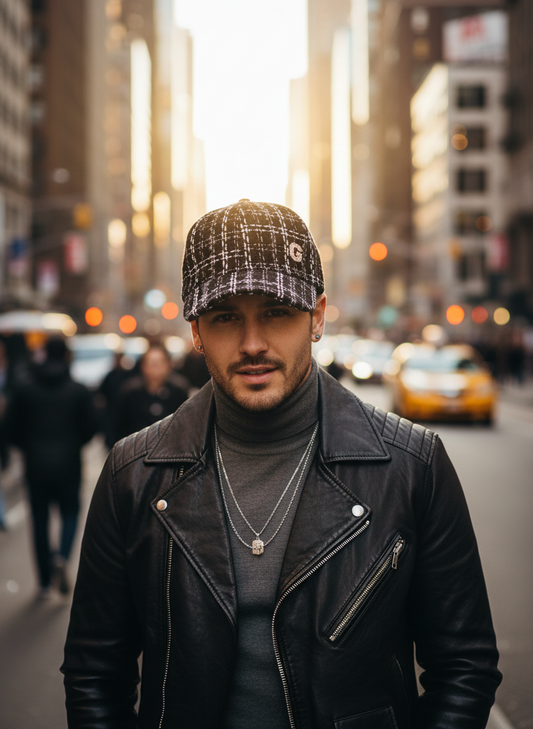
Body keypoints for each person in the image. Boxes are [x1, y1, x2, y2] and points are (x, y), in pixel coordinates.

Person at [63, 200, 501, 728]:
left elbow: (463, 666)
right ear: (196, 331)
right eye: (226, 317)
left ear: (316, 316)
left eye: (276, 312)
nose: (253, 344)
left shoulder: (413, 466)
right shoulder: (133, 474)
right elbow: (95, 673)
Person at [7, 336, 97, 598]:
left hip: (35, 465)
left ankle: (45, 582)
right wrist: (74, 443)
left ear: (44, 354)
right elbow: (91, 427)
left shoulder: (25, 388)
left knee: (39, 520)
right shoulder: (78, 390)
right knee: (70, 514)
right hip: (68, 464)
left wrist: (28, 447)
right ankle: (63, 556)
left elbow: (10, 428)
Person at [109, 343, 189, 445]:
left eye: (160, 363)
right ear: (143, 366)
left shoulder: (179, 390)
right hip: (135, 450)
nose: (155, 367)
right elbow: (117, 425)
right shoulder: (130, 392)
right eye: (151, 363)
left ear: (168, 365)